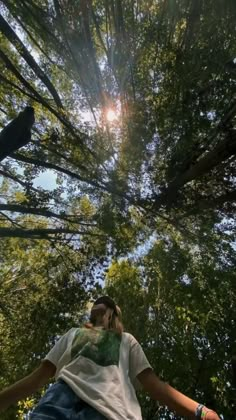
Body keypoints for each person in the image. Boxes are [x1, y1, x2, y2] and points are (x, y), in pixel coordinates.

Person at [0, 296, 220, 419]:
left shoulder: (127, 341)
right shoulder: (72, 334)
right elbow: (38, 377)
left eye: (106, 303)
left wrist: (200, 412)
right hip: (58, 402)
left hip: (112, 412)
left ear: (112, 314)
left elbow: (154, 385)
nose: (99, 302)